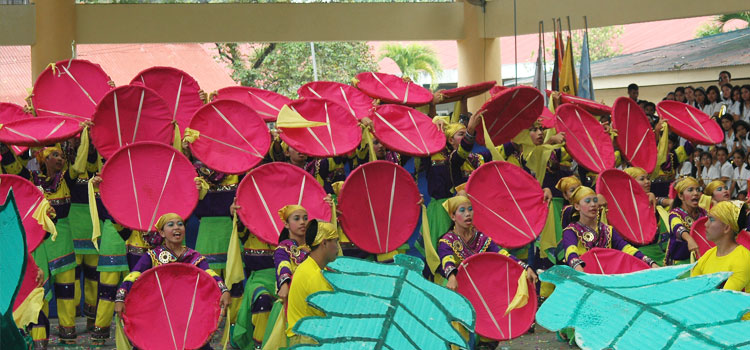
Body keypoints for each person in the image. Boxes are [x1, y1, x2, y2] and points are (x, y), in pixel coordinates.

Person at [114, 212, 231, 313]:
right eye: (171, 225)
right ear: (162, 233)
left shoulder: (194, 256)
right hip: (159, 309)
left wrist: (224, 291)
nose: (177, 227)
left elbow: (210, 274)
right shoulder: (152, 256)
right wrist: (120, 299)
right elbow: (133, 275)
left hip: (188, 309)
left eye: (180, 224)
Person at [560, 186, 658, 271]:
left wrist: (649, 262)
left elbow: (626, 248)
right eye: (587, 201)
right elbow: (571, 251)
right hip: (582, 276)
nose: (593, 205)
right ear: (577, 206)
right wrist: (579, 270)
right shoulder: (571, 231)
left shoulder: (607, 230)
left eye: (595, 200)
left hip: (606, 276)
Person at [285, 220, 339, 346]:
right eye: (335, 241)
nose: (338, 247)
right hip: (307, 341)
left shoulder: (312, 266)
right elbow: (331, 314)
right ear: (324, 243)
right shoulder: (313, 275)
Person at [691, 200, 750, 292]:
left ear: (726, 228)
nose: (705, 224)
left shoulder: (743, 259)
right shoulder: (708, 255)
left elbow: (723, 299)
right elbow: (693, 287)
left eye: (711, 219)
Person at [665, 177, 705, 265]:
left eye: (698, 190)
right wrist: (689, 239)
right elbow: (677, 227)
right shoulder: (675, 214)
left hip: (701, 258)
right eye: (690, 190)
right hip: (680, 261)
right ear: (680, 196)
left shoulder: (703, 212)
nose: (696, 193)